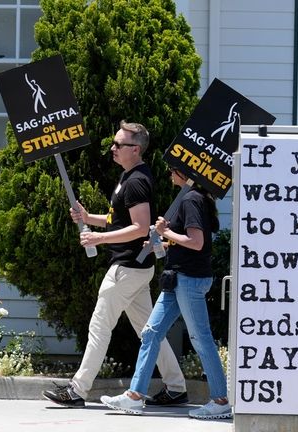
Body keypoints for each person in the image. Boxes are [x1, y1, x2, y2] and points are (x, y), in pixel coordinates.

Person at [42, 121, 187, 407]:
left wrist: (99, 238)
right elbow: (117, 219)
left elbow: (139, 226)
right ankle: (176, 386)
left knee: (99, 326)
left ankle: (77, 390)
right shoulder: (129, 176)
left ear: (135, 149)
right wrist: (89, 217)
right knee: (149, 330)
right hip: (135, 268)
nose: (112, 148)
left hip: (126, 269)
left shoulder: (136, 182)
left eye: (118, 144)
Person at [100, 166, 231, 420]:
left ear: (185, 174)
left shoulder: (192, 199)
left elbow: (197, 242)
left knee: (200, 338)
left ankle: (220, 401)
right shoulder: (191, 197)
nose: (169, 172)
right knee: (150, 333)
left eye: (173, 169)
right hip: (177, 279)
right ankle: (135, 396)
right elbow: (188, 242)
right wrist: (162, 243)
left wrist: (165, 231)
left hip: (189, 280)